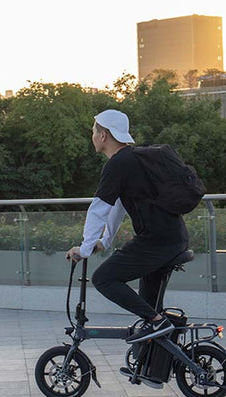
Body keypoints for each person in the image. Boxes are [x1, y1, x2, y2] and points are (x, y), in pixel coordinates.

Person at [66, 109, 189, 343]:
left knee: (103, 279)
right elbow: (118, 205)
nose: (92, 136)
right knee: (150, 308)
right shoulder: (132, 160)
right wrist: (103, 241)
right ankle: (156, 367)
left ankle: (158, 323)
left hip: (156, 242)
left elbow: (99, 208)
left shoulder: (119, 163)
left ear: (103, 135)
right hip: (172, 238)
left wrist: (84, 248)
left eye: (94, 131)